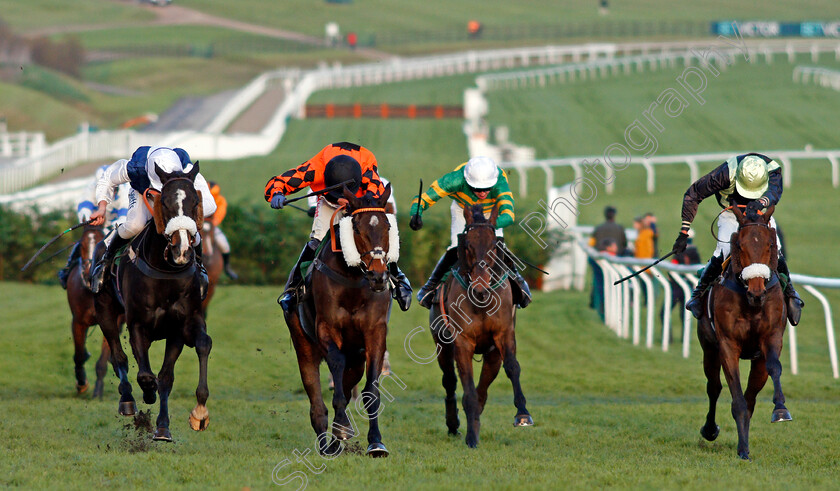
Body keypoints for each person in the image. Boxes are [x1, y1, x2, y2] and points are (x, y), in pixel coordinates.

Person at [265, 141, 412, 313]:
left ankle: (398, 280)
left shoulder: (366, 164)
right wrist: (276, 193)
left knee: (378, 234)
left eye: (345, 195)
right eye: (339, 194)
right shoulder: (316, 168)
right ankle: (294, 288)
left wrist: (360, 204)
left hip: (360, 202)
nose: (342, 199)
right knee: (316, 240)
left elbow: (377, 195)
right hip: (329, 203)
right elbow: (278, 182)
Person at [672, 153, 804, 325]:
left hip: (759, 215)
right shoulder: (725, 173)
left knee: (775, 250)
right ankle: (699, 293)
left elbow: (774, 192)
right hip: (730, 214)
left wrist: (762, 203)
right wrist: (684, 232)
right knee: (724, 251)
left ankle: (791, 294)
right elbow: (694, 193)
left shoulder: (773, 170)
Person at [88, 146, 217, 297]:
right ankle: (106, 261)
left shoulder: (187, 168)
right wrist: (102, 207)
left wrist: (184, 216)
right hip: (144, 192)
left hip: (175, 199)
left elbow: (210, 205)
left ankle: (200, 267)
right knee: (134, 225)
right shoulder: (136, 167)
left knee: (187, 226)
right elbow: (107, 179)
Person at [409, 155, 531, 309]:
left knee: (498, 247)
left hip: (490, 215)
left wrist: (489, 225)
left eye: (487, 188)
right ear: (467, 181)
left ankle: (519, 281)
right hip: (463, 210)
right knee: (456, 247)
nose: (482, 193)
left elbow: (509, 215)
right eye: (477, 189)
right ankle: (430, 287)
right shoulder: (455, 179)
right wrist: (416, 213)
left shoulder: (500, 182)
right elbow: (425, 198)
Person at [58, 165, 130, 289]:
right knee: (84, 241)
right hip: (96, 227)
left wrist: (110, 229)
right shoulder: (91, 187)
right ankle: (67, 268)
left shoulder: (125, 190)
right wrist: (87, 219)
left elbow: (124, 216)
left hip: (116, 227)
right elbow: (84, 206)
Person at [207, 181, 238, 280]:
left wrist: (213, 223)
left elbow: (220, 214)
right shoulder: (200, 195)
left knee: (224, 245)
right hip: (199, 224)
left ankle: (227, 268)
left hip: (211, 225)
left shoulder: (220, 200)